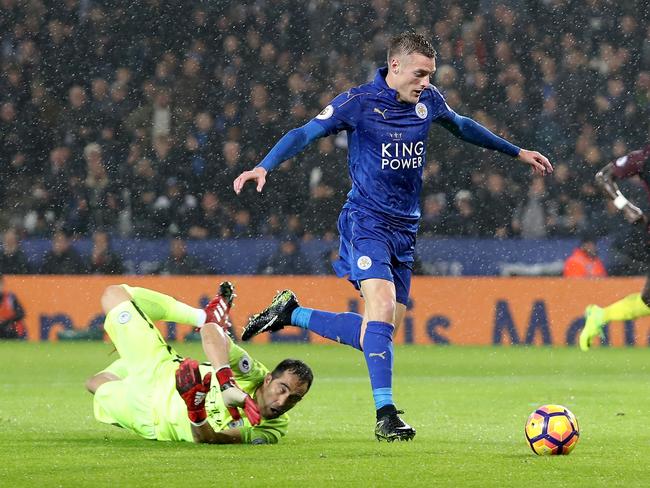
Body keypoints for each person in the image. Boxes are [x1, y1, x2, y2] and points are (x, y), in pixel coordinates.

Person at [233, 32, 553, 441]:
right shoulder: (359, 102)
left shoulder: (428, 101)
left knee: (377, 333)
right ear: (395, 66)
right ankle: (386, 415)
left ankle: (290, 314)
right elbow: (304, 133)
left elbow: (462, 126)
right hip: (366, 222)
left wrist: (517, 152)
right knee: (380, 308)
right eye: (420, 74)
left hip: (406, 230)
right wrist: (264, 166)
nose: (426, 82)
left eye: (431, 75)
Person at [86, 282, 313, 444]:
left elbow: (208, 438)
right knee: (114, 294)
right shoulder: (252, 373)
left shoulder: (271, 429)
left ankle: (128, 352)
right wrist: (225, 383)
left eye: (294, 398)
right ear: (268, 379)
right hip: (163, 368)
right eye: (282, 389)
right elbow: (212, 331)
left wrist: (196, 410)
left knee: (95, 383)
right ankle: (200, 315)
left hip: (149, 414)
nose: (283, 401)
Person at [580, 145, 650, 351]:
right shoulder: (643, 158)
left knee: (648, 301)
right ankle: (600, 315)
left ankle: (600, 315)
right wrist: (625, 206)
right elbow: (603, 177)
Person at [0, 274, 26, 339]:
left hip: (10, 330)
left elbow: (21, 313)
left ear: (3, 285)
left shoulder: (10, 298)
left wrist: (8, 321)